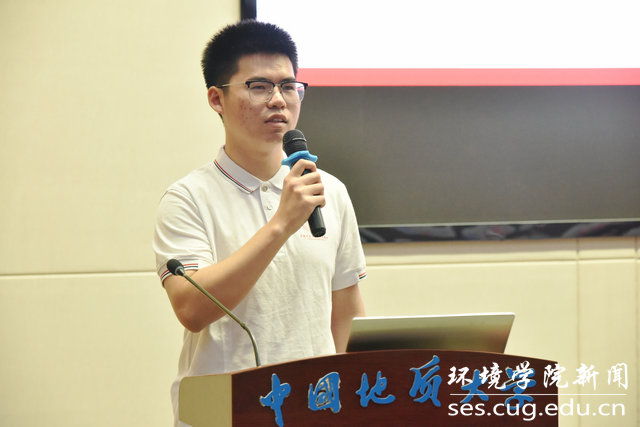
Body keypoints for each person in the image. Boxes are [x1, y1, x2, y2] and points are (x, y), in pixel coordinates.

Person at [152, 20, 367, 425]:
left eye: (288, 86)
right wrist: (281, 225)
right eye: (259, 87)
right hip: (224, 413)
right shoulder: (188, 197)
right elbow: (192, 309)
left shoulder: (330, 191)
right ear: (216, 98)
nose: (278, 100)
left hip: (314, 412)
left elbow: (347, 312)